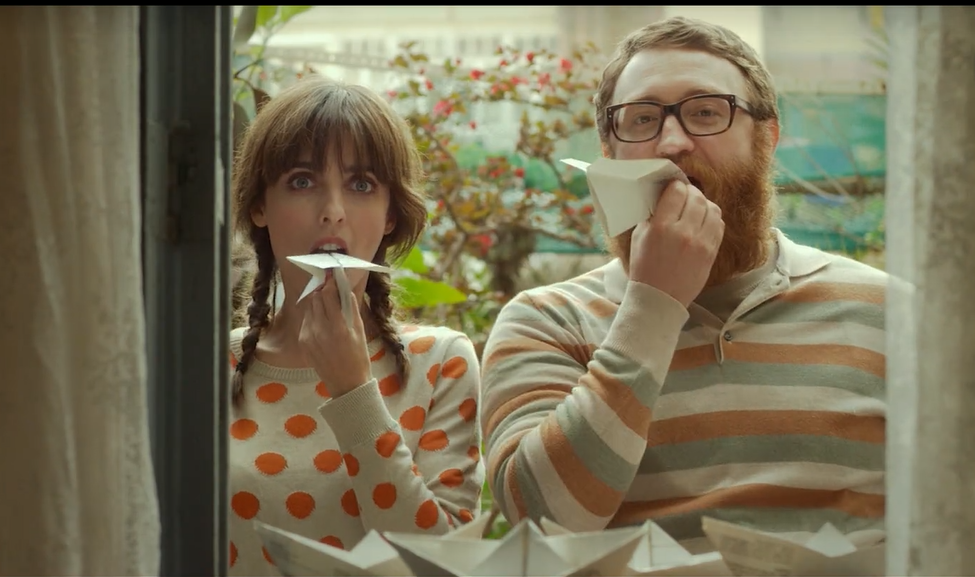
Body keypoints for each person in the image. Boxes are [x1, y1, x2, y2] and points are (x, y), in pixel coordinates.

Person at [481, 16, 886, 553]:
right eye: (642, 119)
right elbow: (540, 523)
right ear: (609, 152)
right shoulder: (547, 320)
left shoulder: (886, 310)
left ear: (767, 139)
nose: (672, 142)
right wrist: (654, 306)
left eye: (705, 112)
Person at [228, 77, 484, 574]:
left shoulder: (440, 362)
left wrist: (353, 393)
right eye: (302, 182)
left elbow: (440, 563)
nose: (333, 213)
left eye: (361, 185)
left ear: (390, 215)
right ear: (260, 206)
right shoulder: (213, 366)